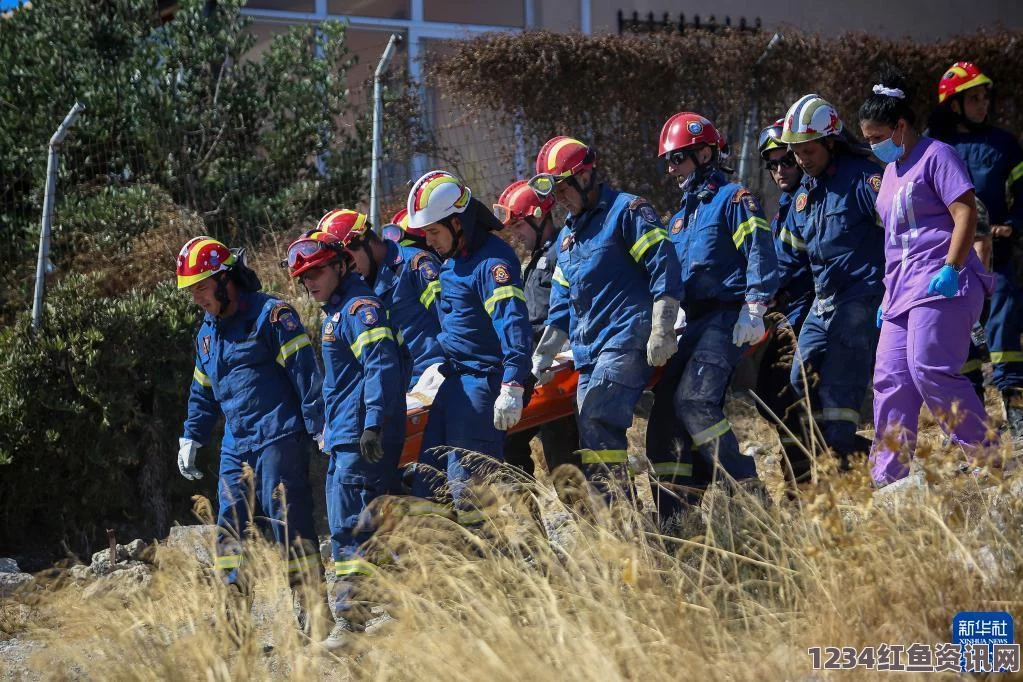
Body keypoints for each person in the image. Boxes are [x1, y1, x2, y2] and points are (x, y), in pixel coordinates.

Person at [175, 237, 324, 632]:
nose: (198, 299)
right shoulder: (207, 333)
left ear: (226, 280)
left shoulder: (272, 315)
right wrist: (191, 435)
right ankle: (234, 612)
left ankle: (311, 605)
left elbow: (306, 374)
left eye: (202, 288)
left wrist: (319, 425)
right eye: (192, 292)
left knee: (286, 520)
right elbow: (202, 391)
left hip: (279, 435)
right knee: (229, 526)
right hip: (236, 446)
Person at [860, 70, 996, 485]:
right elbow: (894, 242)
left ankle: (989, 463)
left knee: (929, 368)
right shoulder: (887, 179)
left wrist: (952, 269)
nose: (873, 145)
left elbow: (965, 213)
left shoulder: (938, 155)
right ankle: (889, 480)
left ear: (900, 127)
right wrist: (886, 296)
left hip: (942, 283)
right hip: (900, 293)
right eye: (866, 139)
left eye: (876, 136)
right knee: (890, 380)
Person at [528, 136, 682, 490]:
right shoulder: (567, 238)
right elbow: (561, 307)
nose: (561, 200)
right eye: (556, 194)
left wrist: (662, 328)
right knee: (592, 433)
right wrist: (543, 355)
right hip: (588, 351)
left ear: (585, 177)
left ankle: (621, 519)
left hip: (628, 336)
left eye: (564, 189)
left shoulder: (628, 212)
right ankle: (623, 524)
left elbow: (664, 268)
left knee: (597, 413)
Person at [645, 113, 776, 518]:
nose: (671, 169)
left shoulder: (733, 198)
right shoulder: (681, 217)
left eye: (678, 159)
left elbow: (758, 247)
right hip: (695, 322)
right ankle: (677, 516)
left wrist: (755, 306)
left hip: (728, 317)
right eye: (667, 162)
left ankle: (748, 489)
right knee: (666, 411)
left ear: (705, 153)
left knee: (696, 400)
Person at [286, 228, 408, 650]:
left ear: (341, 264)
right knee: (348, 524)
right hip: (344, 435)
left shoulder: (359, 308)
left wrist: (373, 422)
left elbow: (381, 367)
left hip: (362, 436)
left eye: (316, 271)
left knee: (356, 525)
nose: (310, 282)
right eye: (304, 278)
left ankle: (359, 620)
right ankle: (381, 612)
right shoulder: (335, 310)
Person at [405, 170, 533, 525]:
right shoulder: (456, 260)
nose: (429, 242)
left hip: (482, 387)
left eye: (433, 231)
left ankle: (494, 574)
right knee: (429, 489)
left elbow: (513, 325)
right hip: (454, 386)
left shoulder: (492, 264)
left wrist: (512, 384)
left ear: (457, 221)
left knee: (470, 496)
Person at [780, 94, 885, 469]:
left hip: (862, 297)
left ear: (829, 143)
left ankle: (885, 474)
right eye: (796, 153)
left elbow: (902, 233)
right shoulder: (803, 196)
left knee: (839, 399)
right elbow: (786, 258)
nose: (800, 160)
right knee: (799, 382)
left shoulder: (865, 178)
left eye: (807, 151)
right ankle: (852, 460)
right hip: (823, 304)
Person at [927, 61, 1023, 444]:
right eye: (974, 99)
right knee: (959, 344)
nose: (983, 105)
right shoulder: (935, 146)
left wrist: (1013, 222)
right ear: (955, 104)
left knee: (1004, 343)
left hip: (999, 259)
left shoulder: (1004, 144)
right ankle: (972, 430)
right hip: (950, 263)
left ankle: (1017, 422)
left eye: (985, 98)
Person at [493, 179, 581, 476]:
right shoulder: (534, 261)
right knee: (508, 446)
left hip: (558, 368)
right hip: (536, 367)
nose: (515, 236)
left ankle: (597, 520)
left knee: (563, 458)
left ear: (540, 216)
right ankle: (531, 523)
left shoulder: (561, 251)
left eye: (519, 226)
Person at [315, 208, 444, 388]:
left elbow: (451, 320)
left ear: (363, 241)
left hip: (435, 378)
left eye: (350, 263)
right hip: (399, 391)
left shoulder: (415, 265)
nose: (349, 274)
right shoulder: (358, 288)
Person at [757, 118, 816, 488]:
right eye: (772, 164)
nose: (779, 170)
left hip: (807, 311)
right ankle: (801, 474)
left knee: (787, 394)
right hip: (786, 313)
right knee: (772, 395)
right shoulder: (785, 206)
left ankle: (806, 478)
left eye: (786, 161)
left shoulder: (808, 199)